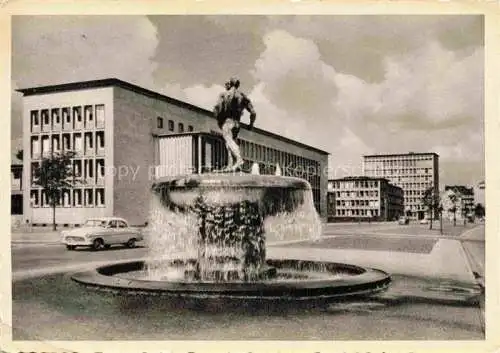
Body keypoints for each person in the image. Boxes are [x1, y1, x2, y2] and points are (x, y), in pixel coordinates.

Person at [213, 77, 257, 172]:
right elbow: (253, 113)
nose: (225, 86)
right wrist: (251, 125)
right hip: (237, 123)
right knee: (229, 143)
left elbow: (217, 109)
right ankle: (230, 165)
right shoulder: (242, 96)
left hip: (228, 122)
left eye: (227, 84)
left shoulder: (224, 95)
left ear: (230, 84)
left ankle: (239, 159)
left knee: (229, 140)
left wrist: (220, 121)